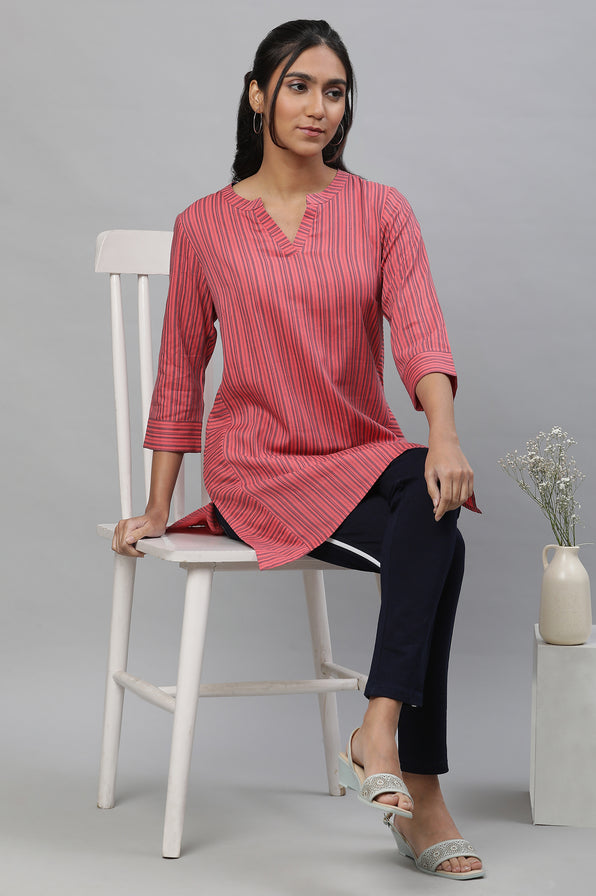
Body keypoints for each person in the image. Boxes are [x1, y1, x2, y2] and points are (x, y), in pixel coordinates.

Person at [112, 19, 484, 880]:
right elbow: (181, 367)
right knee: (445, 539)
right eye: (300, 87)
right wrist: (159, 504)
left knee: (435, 499)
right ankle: (421, 788)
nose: (319, 108)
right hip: (260, 466)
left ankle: (377, 730)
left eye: (335, 91)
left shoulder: (381, 209)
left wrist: (444, 435)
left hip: (359, 447)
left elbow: (419, 332)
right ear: (258, 95)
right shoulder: (204, 225)